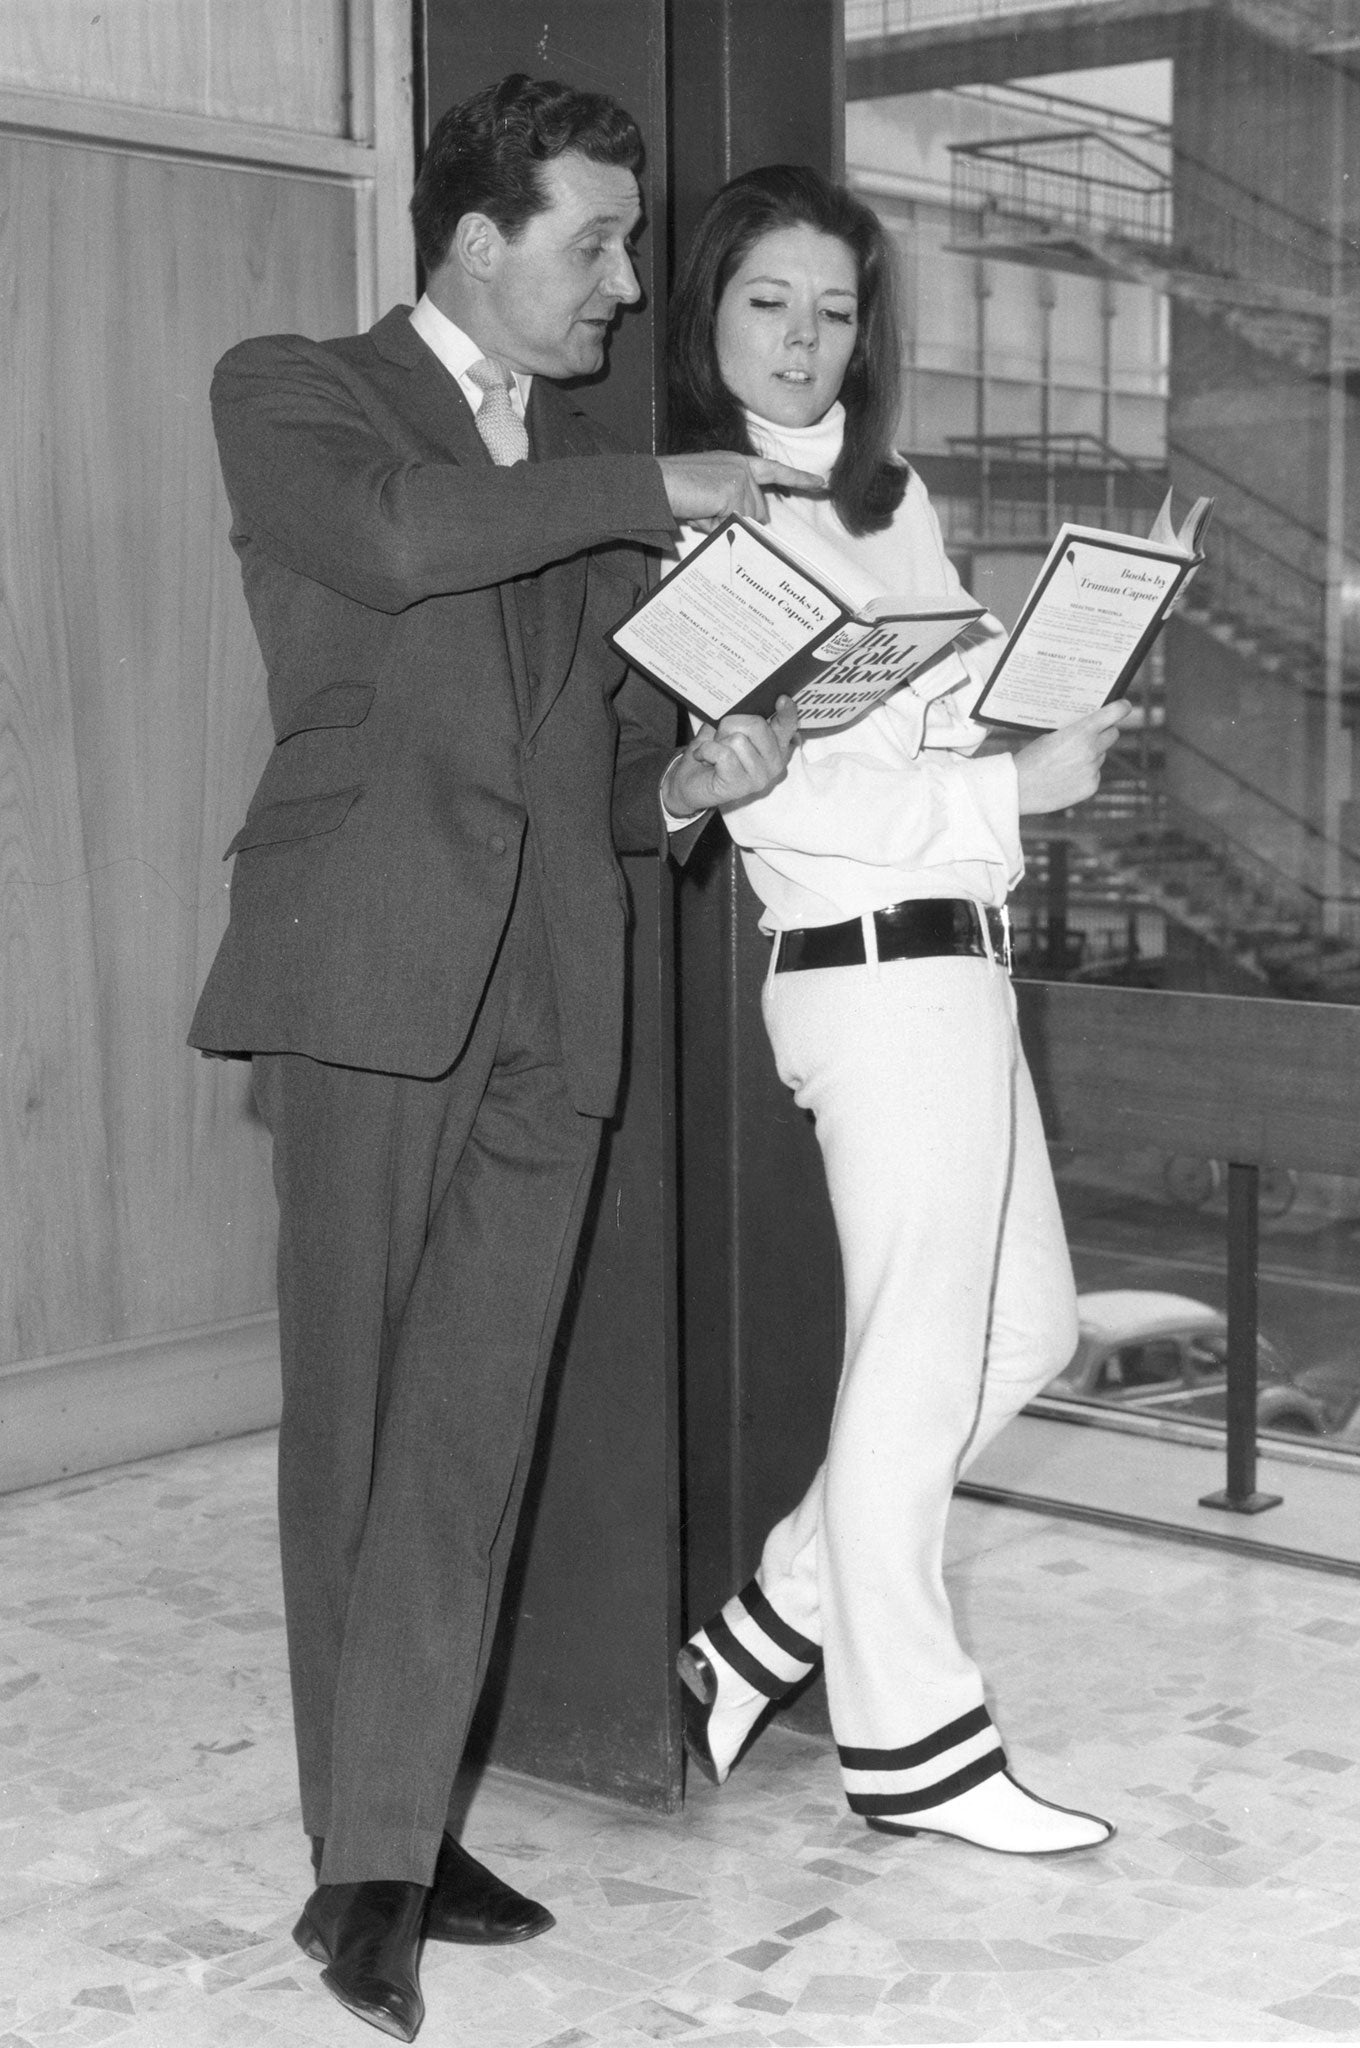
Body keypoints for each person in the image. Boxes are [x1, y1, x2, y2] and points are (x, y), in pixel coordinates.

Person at [190, 79, 820, 2043]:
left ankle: (405, 1822)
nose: (625, 288)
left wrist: (690, 790)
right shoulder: (298, 391)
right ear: (475, 238)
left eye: (628, 250)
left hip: (556, 1007)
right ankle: (355, 1866)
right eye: (595, 245)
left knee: (469, 1448)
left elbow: (596, 766)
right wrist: (652, 488)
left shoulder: (575, 469)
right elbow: (391, 543)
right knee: (361, 1441)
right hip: (373, 986)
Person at [669, 165, 1132, 1858]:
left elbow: (918, 740)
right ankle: (917, 1751)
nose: (801, 341)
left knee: (1025, 1338)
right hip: (862, 968)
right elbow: (778, 811)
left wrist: (1018, 716)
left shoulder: (892, 494)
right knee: (921, 1360)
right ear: (708, 309)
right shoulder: (696, 518)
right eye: (769, 303)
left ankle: (768, 1625)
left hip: (959, 952)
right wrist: (1022, 802)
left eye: (835, 311)